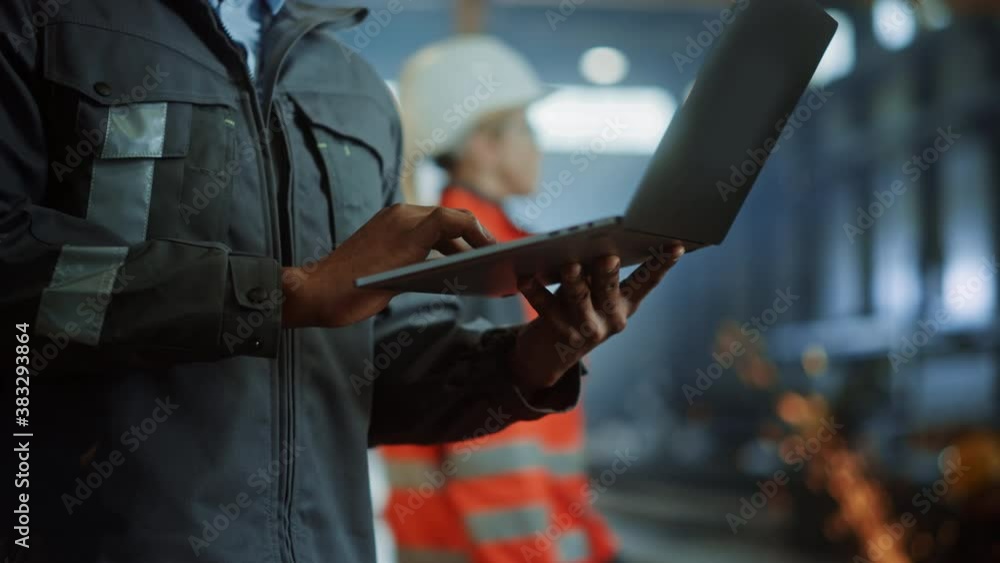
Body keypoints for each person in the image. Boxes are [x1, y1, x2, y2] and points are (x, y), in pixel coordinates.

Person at [0, 2, 683, 562]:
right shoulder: (48, 26)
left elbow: (368, 363)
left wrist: (529, 360)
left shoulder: (354, 93)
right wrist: (281, 293)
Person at [381, 36, 621, 563]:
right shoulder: (472, 258)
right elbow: (488, 451)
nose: (537, 146)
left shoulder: (493, 246)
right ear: (484, 145)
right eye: (526, 130)